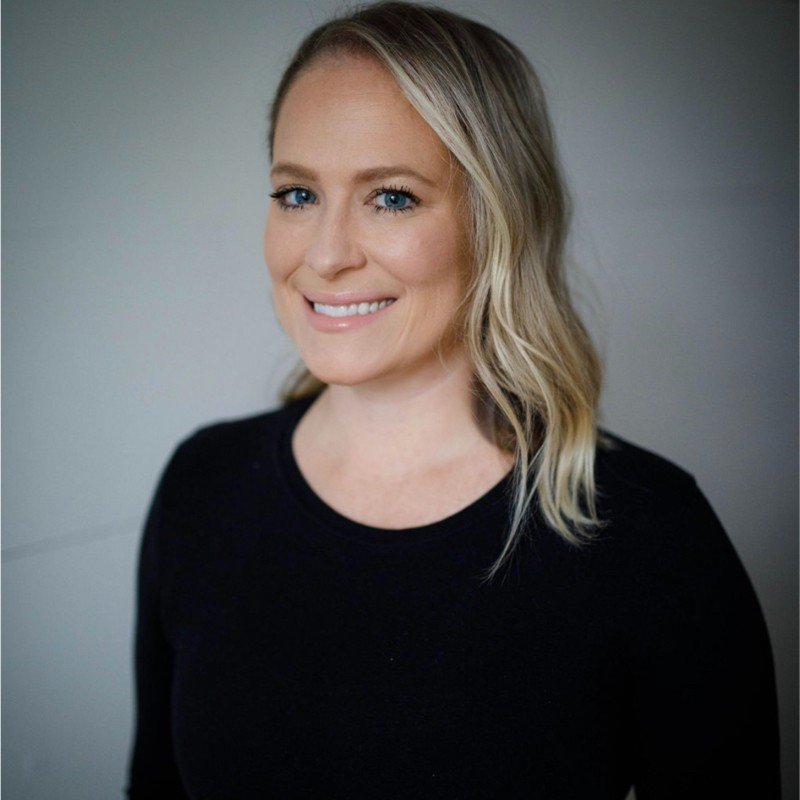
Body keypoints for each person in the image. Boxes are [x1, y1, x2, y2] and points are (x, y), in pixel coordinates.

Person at [126, 3, 781, 798]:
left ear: (497, 219)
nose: (325, 254)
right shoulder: (203, 485)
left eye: (392, 197)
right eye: (297, 194)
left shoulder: (649, 536)